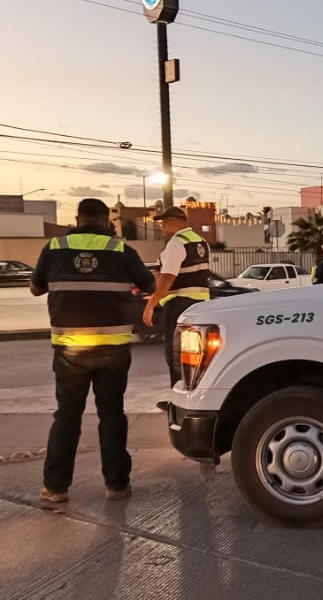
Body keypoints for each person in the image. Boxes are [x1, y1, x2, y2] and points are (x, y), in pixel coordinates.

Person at [30, 198, 154, 504]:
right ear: (106, 221)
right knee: (112, 415)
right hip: (113, 348)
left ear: (77, 218)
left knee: (67, 416)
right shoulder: (121, 251)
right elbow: (149, 282)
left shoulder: (55, 248)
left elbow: (35, 288)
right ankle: (116, 484)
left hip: (70, 350)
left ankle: (56, 487)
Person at [144, 207, 211, 387]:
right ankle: (194, 389)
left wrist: (151, 304)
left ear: (173, 222)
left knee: (175, 355)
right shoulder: (201, 242)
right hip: (201, 305)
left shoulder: (176, 243)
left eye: (164, 223)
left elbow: (167, 278)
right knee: (196, 354)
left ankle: (178, 394)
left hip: (178, 305)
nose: (162, 227)